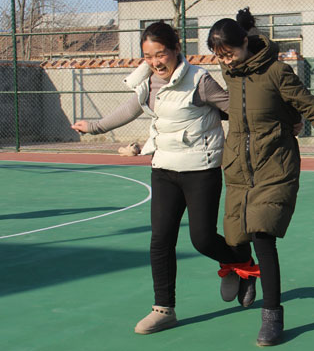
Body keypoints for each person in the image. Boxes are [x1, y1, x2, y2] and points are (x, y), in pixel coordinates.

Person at [71, 22, 259, 335]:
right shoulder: (147, 82)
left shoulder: (199, 80)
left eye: (161, 54)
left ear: (176, 50)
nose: (156, 62)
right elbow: (129, 109)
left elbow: (236, 108)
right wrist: (94, 127)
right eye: (148, 56)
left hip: (201, 168)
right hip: (164, 168)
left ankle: (240, 263)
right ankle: (164, 309)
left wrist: (279, 119)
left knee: (202, 239)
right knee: (160, 240)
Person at [207, 18, 314, 346]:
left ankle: (272, 315)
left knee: (263, 235)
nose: (225, 60)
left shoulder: (277, 71)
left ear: (245, 44)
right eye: (219, 55)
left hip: (274, 164)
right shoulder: (228, 72)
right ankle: (244, 271)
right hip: (238, 167)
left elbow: (311, 108)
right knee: (235, 237)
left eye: (229, 53)